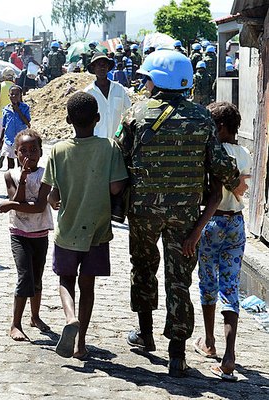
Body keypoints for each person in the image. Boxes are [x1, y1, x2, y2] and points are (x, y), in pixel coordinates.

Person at [115, 50, 246, 377]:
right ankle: (177, 353)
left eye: (147, 78)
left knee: (143, 268)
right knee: (179, 280)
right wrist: (233, 175)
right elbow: (221, 167)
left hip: (144, 213)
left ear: (157, 80)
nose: (144, 83)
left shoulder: (136, 114)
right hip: (185, 216)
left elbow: (118, 159)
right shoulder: (202, 118)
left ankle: (145, 336)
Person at [41, 92, 128, 359]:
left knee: (65, 280)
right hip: (97, 230)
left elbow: (52, 195)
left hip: (67, 230)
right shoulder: (109, 147)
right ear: (98, 118)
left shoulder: (58, 150)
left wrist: (56, 197)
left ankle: (69, 317)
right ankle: (81, 344)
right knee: (87, 287)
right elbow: (115, 188)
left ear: (68, 120)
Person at [184, 102, 252, 382]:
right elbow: (242, 189)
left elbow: (213, 197)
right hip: (236, 223)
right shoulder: (245, 153)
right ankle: (230, 356)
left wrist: (196, 230)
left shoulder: (214, 152)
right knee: (230, 287)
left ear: (220, 127)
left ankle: (210, 342)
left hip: (213, 223)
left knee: (208, 283)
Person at [0, 129, 53, 341]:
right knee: (25, 276)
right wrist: (23, 180)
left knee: (37, 277)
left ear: (41, 151)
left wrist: (11, 205)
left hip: (40, 233)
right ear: (16, 153)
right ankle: (15, 324)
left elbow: (39, 207)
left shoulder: (46, 174)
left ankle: (35, 316)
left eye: (33, 149)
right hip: (19, 233)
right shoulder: (11, 175)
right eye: (24, 150)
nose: (29, 154)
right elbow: (18, 203)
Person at [83, 53, 131, 139]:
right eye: (98, 65)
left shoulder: (119, 89)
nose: (102, 67)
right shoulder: (88, 93)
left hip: (116, 140)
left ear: (108, 67)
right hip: (97, 141)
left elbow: (129, 111)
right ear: (93, 68)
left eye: (104, 64)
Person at [0, 85, 31, 171]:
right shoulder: (6, 109)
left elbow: (27, 122)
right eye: (12, 94)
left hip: (21, 140)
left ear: (20, 96)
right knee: (10, 164)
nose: (14, 96)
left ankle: (20, 180)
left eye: (16, 94)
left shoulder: (25, 108)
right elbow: (4, 126)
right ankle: (11, 180)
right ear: (9, 96)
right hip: (9, 139)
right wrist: (1, 139)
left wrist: (18, 110)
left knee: (21, 162)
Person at [0, 68, 16, 152]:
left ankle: (0, 150)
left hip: (0, 115)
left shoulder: (0, 85)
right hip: (12, 115)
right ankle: (8, 151)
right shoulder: (15, 87)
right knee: (10, 136)